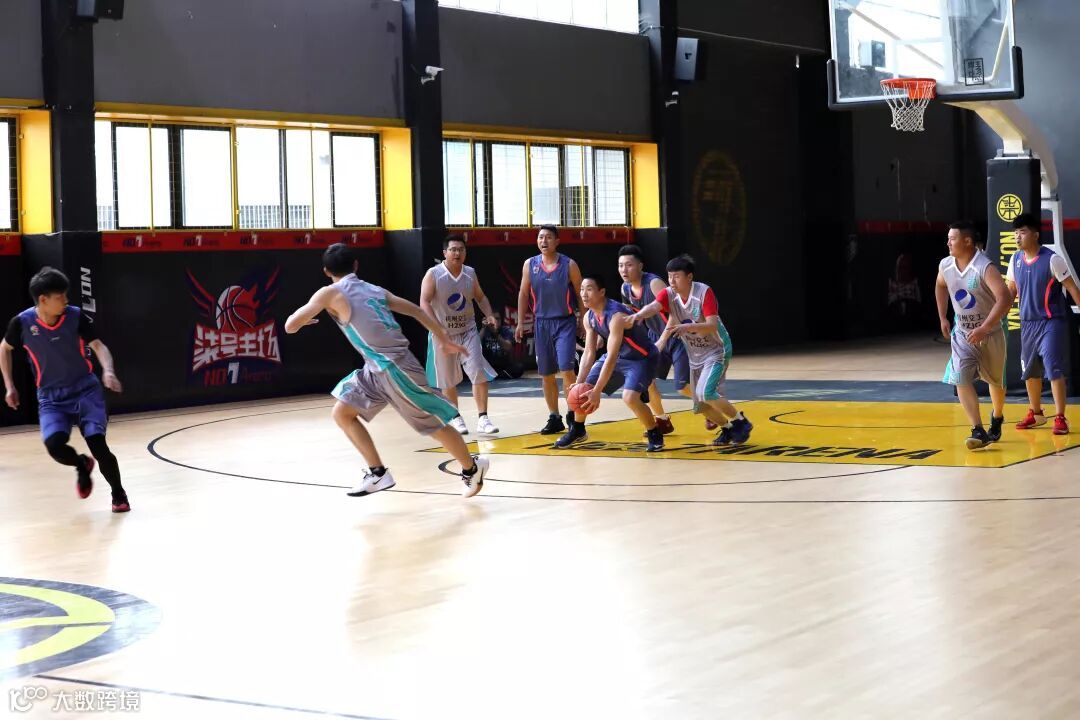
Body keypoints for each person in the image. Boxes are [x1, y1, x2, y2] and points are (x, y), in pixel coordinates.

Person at [285, 243, 489, 498]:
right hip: (375, 369)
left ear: (327, 271)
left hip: (396, 368)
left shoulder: (328, 293)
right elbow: (417, 311)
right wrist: (444, 339)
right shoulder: (375, 290)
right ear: (356, 265)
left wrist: (305, 320)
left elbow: (290, 326)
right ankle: (378, 473)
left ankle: (472, 468)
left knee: (432, 425)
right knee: (342, 412)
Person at [1, 267, 130, 512]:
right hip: (51, 397)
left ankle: (118, 493)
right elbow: (4, 349)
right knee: (54, 446)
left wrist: (108, 371)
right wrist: (9, 386)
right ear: (43, 300)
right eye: (60, 296)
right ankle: (81, 464)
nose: (66, 300)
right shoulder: (22, 323)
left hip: (85, 391)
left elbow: (99, 346)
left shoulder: (75, 316)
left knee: (98, 445)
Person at [626, 255, 752, 445]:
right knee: (700, 405)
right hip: (695, 353)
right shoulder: (669, 293)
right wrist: (638, 316)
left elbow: (711, 325)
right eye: (669, 276)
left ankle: (741, 422)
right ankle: (727, 429)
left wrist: (687, 327)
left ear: (689, 277)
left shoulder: (703, 292)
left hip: (717, 349)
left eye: (676, 276)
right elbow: (654, 306)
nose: (671, 281)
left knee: (706, 393)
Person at [557, 275, 664, 452]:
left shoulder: (616, 316)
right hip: (620, 356)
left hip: (641, 359)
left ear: (602, 292)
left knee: (629, 397)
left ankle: (654, 433)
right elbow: (589, 352)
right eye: (582, 289)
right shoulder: (589, 317)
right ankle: (578, 429)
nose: (583, 294)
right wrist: (580, 382)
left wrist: (597, 391)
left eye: (589, 289)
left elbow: (612, 356)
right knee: (582, 390)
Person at [935, 221, 1012, 449]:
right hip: (963, 334)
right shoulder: (946, 265)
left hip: (991, 332)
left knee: (996, 381)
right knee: (960, 377)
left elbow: (1005, 298)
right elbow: (940, 286)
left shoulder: (984, 267)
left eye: (953, 239)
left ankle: (997, 416)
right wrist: (943, 316)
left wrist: (985, 327)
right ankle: (978, 429)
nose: (948, 243)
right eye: (948, 238)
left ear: (967, 241)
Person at [1005, 212, 1080, 435]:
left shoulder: (1052, 259)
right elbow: (1010, 291)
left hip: (1051, 322)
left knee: (1052, 367)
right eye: (1015, 233)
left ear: (1035, 235)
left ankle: (1060, 417)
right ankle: (1036, 413)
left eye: (1022, 232)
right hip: (1027, 324)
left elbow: (1072, 288)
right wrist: (996, 316)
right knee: (1030, 371)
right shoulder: (1015, 260)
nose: (1017, 237)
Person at [420, 235, 499, 436]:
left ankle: (483, 418)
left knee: (478, 371)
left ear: (465, 252)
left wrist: (489, 314)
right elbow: (424, 302)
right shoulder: (433, 274)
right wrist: (438, 328)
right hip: (443, 335)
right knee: (448, 380)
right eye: (453, 249)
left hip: (468, 331)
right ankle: (455, 417)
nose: (457, 253)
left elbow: (480, 297)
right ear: (444, 253)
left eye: (461, 249)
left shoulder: (470, 273)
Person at [515, 225, 583, 435]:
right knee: (546, 373)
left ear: (557, 241)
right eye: (540, 237)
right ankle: (554, 417)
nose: (543, 241)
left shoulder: (569, 264)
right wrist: (520, 322)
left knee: (567, 369)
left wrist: (584, 320)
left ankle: (573, 413)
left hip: (565, 322)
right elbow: (523, 293)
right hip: (541, 323)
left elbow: (581, 294)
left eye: (548, 237)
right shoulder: (530, 264)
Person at [617, 244, 685, 435]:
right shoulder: (625, 288)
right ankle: (662, 420)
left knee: (684, 387)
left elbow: (677, 313)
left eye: (629, 265)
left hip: (677, 334)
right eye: (621, 265)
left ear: (640, 266)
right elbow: (630, 318)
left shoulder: (654, 283)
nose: (624, 270)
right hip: (654, 336)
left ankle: (710, 406)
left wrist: (663, 339)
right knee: (647, 380)